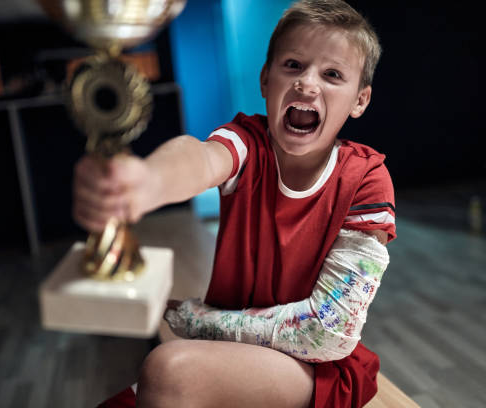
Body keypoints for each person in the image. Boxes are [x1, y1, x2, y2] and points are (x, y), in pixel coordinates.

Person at [74, 0, 395, 407]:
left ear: (359, 100)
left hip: (316, 370)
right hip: (231, 354)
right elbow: (200, 158)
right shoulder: (247, 142)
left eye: (332, 74)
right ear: (265, 80)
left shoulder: (366, 178)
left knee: (169, 368)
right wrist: (147, 182)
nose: (307, 84)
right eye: (293, 65)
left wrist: (197, 321)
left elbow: (325, 332)